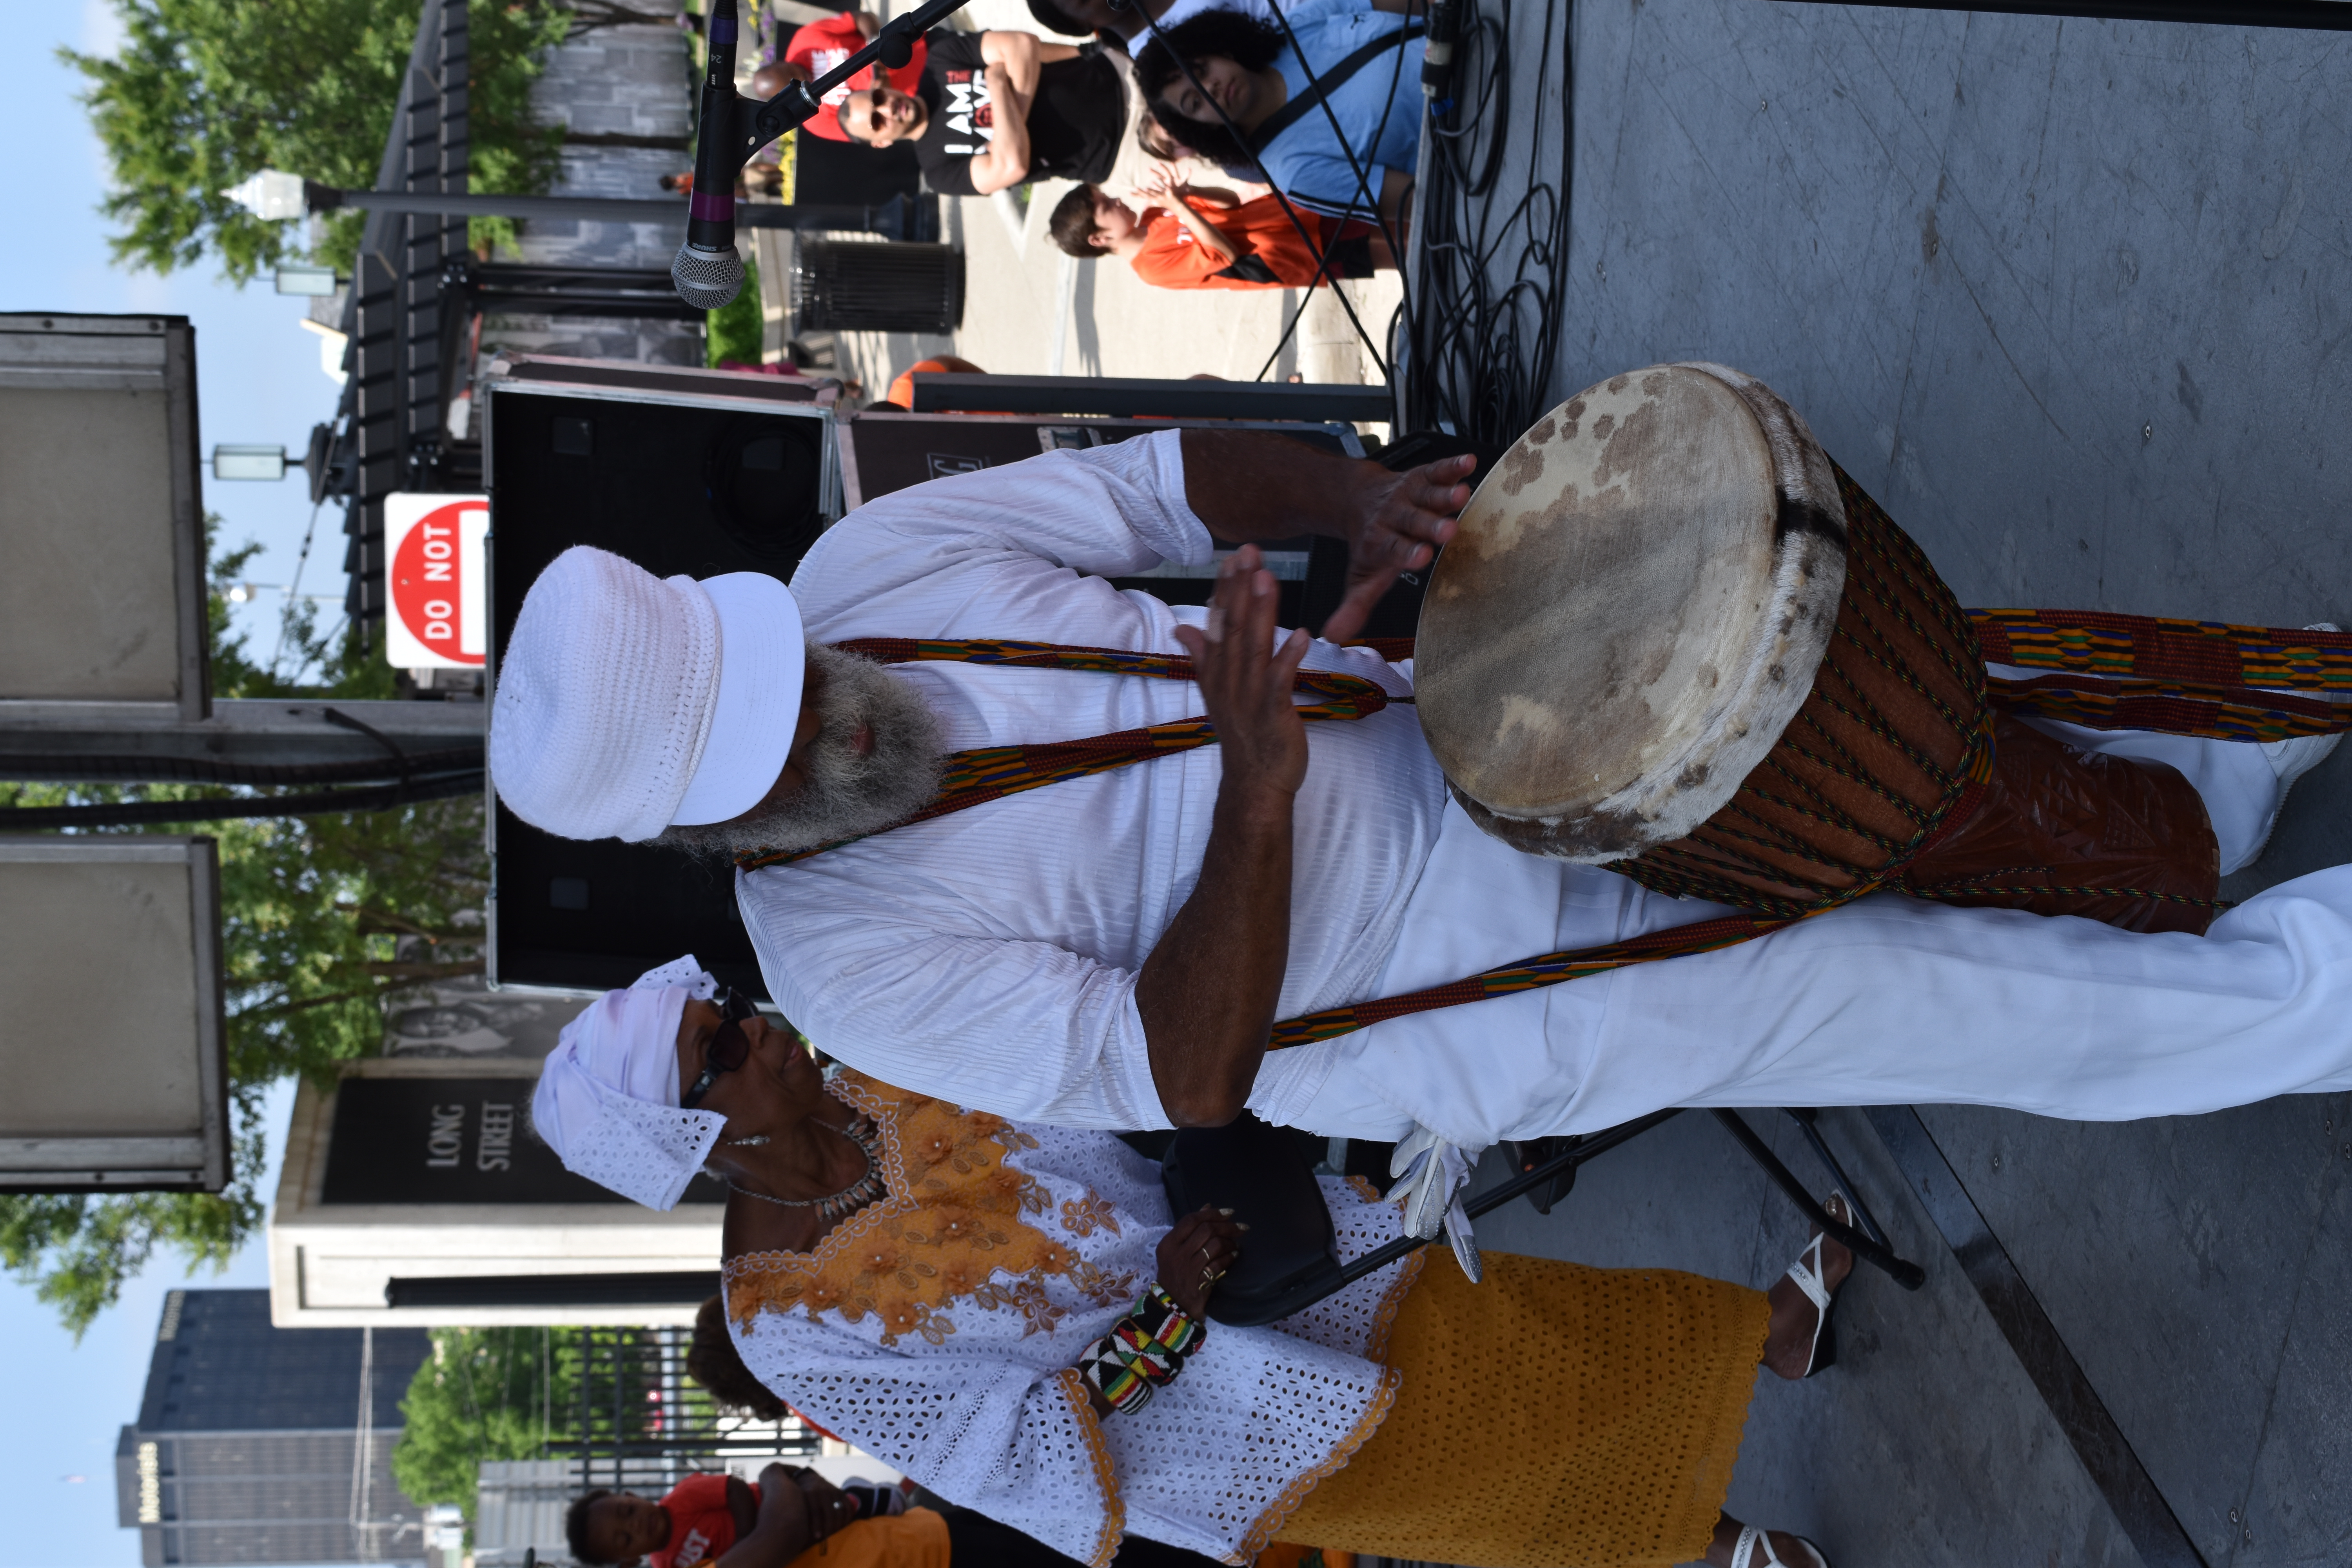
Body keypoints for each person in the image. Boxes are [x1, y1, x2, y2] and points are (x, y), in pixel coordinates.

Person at [488, 422, 2352, 1162]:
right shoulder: (844, 964)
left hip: (1480, 730)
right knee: (1942, 996)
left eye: (794, 688)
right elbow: (1180, 1076)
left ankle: (2229, 767)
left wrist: (1340, 508)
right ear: (704, 838)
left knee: (1947, 755)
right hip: (1472, 1003)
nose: (830, 729)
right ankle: (2314, 995)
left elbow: (1156, 489)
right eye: (775, 765)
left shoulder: (871, 569)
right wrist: (1250, 796)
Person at [528, 957, 1847, 1568]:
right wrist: (1165, 1317)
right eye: (721, 1052)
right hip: (1221, 1419)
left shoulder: (872, 1058)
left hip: (1267, 1242)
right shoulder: (784, 1323)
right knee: (1491, 1472)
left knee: (1539, 1327)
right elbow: (1007, 1456)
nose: (758, 1036)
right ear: (687, 1139)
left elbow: (1077, 1078)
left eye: (735, 1015)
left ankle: (1762, 1340)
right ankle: (1715, 1543)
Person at [1136, 0, 1423, 232]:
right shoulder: (1296, 173)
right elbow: (1423, 201)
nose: (1211, 87)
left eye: (1202, 70)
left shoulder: (1298, 25)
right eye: (1195, 103)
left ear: (1220, 51)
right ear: (1201, 129)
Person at [837, 29, 1126, 198]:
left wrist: (1009, 131)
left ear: (881, 87)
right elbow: (1012, 167)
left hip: (1116, 76)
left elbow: (1022, 45)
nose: (888, 108)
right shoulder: (939, 172)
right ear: (881, 143)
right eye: (878, 121)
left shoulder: (941, 58)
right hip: (1116, 157)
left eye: (878, 98)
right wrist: (998, 84)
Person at [1047, 172, 1387, 288]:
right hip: (1292, 254)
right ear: (1101, 239)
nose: (1118, 201)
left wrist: (1188, 193)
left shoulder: (1154, 214)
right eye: (1108, 205)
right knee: (1396, 250)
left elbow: (1230, 202)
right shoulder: (1151, 268)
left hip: (1288, 216)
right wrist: (1180, 207)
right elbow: (1225, 254)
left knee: (1391, 220)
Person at [569, 1462, 880, 1568]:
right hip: (774, 1552)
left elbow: (735, 1489)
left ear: (632, 1497)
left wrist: (748, 1539)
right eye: (625, 1538)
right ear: (629, 1562)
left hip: (776, 1507)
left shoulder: (682, 1499)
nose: (635, 1524)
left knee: (826, 1515)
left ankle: (863, 1500)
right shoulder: (666, 1564)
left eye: (628, 1511)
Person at [773, 10, 928, 143]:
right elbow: (871, 134)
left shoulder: (804, 40)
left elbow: (861, 18)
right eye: (799, 84)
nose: (807, 78)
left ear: (781, 63)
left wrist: (875, 43)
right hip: (919, 100)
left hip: (921, 49)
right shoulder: (811, 120)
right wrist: (880, 90)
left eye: (796, 70)